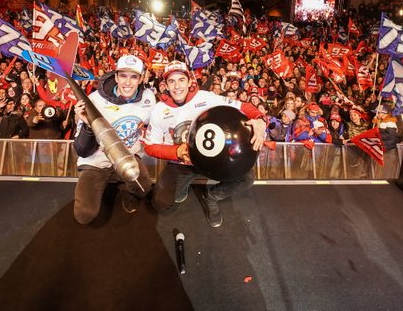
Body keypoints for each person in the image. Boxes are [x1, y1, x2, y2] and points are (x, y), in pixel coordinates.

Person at [144, 60, 267, 228]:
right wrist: (176, 152)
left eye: (181, 80)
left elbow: (242, 106)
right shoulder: (159, 110)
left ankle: (212, 196)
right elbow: (150, 146)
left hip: (213, 160)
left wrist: (260, 119)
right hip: (182, 163)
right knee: (161, 203)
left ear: (189, 81)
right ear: (165, 85)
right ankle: (183, 186)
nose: (177, 86)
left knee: (247, 178)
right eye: (171, 81)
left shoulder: (206, 97)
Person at [72, 54, 155, 224]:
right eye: (123, 75)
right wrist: (88, 126)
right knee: (84, 215)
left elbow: (151, 124)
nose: (127, 82)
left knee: (144, 189)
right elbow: (82, 150)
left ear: (141, 79)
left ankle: (125, 187)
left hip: (127, 157)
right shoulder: (94, 100)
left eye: (133, 77)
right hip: (97, 161)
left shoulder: (148, 98)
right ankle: (104, 180)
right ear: (115, 76)